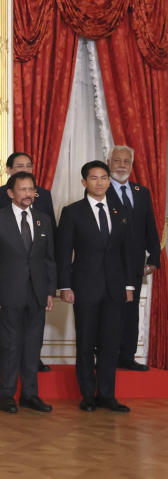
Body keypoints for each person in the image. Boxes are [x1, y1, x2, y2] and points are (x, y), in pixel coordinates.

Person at [57, 160, 133, 413]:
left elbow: (127, 252)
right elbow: (63, 252)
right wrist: (65, 286)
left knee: (111, 343)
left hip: (115, 288)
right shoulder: (72, 212)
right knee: (87, 343)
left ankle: (108, 396)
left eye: (104, 178)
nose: (100, 182)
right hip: (85, 287)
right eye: (94, 178)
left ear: (109, 180)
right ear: (84, 182)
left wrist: (129, 285)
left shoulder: (120, 210)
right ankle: (88, 395)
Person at [0, 172, 56, 414]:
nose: (27, 194)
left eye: (31, 190)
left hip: (37, 293)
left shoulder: (43, 219)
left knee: (33, 346)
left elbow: (49, 259)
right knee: (10, 346)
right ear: (11, 193)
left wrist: (50, 291)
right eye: (22, 190)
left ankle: (30, 395)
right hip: (7, 292)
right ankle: (7, 395)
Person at [107, 145, 160, 372]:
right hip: (108, 263)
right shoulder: (100, 188)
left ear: (131, 164)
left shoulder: (142, 192)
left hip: (135, 263)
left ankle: (127, 356)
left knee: (131, 310)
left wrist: (154, 257)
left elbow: (150, 227)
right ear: (109, 163)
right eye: (117, 160)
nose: (121, 165)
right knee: (109, 311)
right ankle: (107, 356)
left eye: (126, 161)